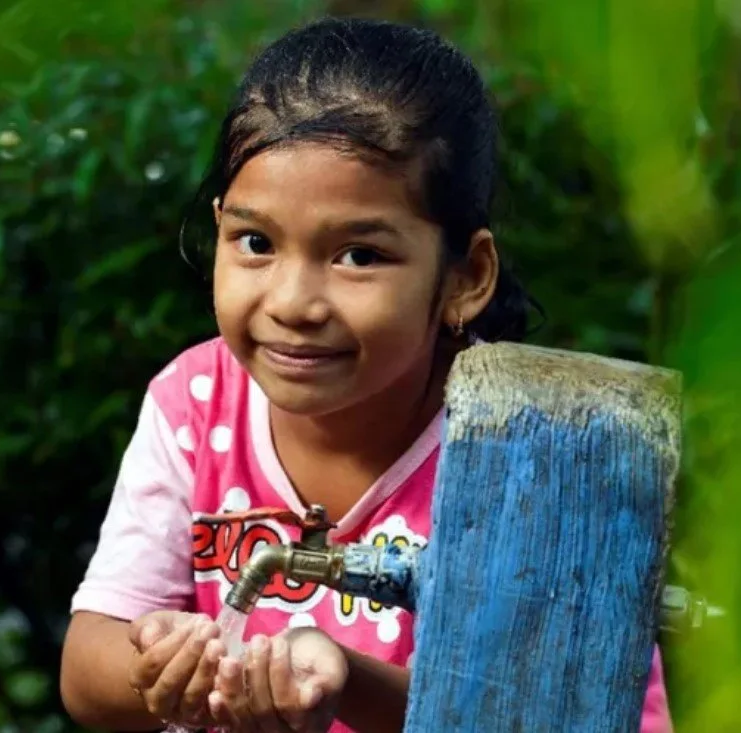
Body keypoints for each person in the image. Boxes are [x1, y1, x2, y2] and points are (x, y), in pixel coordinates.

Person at [58, 16, 673, 733]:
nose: (292, 303)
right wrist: (164, 667)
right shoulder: (195, 404)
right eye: (255, 242)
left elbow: (563, 716)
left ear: (466, 276)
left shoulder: (538, 456)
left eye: (359, 256)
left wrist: (347, 682)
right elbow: (87, 668)